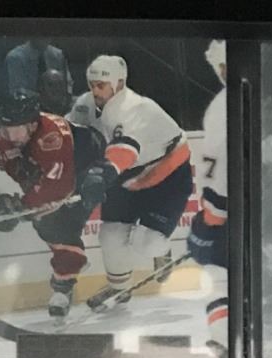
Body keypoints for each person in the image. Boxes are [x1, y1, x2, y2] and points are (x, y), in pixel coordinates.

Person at [75, 55, 193, 307]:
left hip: (167, 173)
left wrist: (101, 175)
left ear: (118, 84)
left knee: (147, 243)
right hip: (125, 173)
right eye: (92, 84)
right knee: (110, 235)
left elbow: (124, 150)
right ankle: (119, 289)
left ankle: (162, 250)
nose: (95, 91)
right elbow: (69, 133)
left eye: (101, 85)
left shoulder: (136, 107)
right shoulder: (85, 104)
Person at [0, 90, 102, 321]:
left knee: (58, 223)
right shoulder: (6, 135)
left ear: (32, 125)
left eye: (15, 129)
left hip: (89, 167)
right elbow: (18, 169)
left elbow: (58, 188)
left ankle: (63, 286)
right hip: (56, 169)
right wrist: (24, 198)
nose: (9, 135)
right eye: (5, 129)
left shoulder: (52, 137)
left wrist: (23, 206)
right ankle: (70, 264)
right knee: (45, 222)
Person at [189, 40, 229, 358]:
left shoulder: (222, 106)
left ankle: (225, 337)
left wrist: (210, 220)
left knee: (216, 272)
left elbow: (219, 167)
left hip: (237, 211)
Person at [3, 37, 70, 100]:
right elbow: (17, 91)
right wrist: (44, 98)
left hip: (57, 103)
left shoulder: (58, 55)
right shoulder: (15, 58)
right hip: (28, 104)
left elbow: (67, 84)